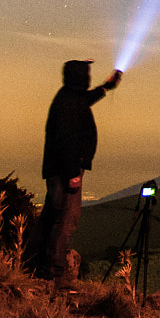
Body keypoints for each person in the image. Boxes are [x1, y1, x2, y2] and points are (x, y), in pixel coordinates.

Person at [35, 59, 122, 282]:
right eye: (86, 74)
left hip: (59, 169)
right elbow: (67, 140)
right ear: (78, 77)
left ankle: (38, 264)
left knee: (52, 216)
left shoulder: (69, 97)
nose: (89, 78)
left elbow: (84, 100)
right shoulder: (68, 102)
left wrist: (106, 87)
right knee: (66, 219)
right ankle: (55, 274)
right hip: (65, 171)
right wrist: (73, 172)